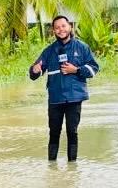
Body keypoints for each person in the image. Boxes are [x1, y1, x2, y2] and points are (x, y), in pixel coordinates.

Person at [29, 15, 100, 162]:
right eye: (57, 28)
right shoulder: (49, 51)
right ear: (53, 31)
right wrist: (35, 70)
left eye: (63, 26)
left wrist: (76, 70)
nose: (61, 29)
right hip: (55, 98)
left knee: (72, 132)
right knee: (54, 132)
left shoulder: (82, 47)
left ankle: (72, 167)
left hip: (74, 98)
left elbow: (94, 68)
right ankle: (51, 165)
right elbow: (35, 72)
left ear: (70, 27)